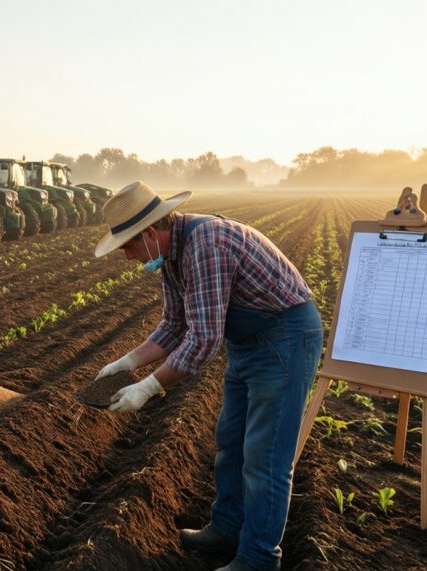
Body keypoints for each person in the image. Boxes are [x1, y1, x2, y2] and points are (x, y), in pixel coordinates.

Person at [93, 182, 322, 571]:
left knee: (265, 457)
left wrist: (149, 387)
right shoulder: (171, 255)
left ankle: (259, 558)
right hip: (250, 341)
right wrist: (129, 362)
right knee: (230, 442)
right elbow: (174, 324)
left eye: (128, 246)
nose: (127, 256)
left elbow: (203, 338)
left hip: (284, 338)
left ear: (150, 233)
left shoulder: (206, 245)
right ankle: (228, 528)